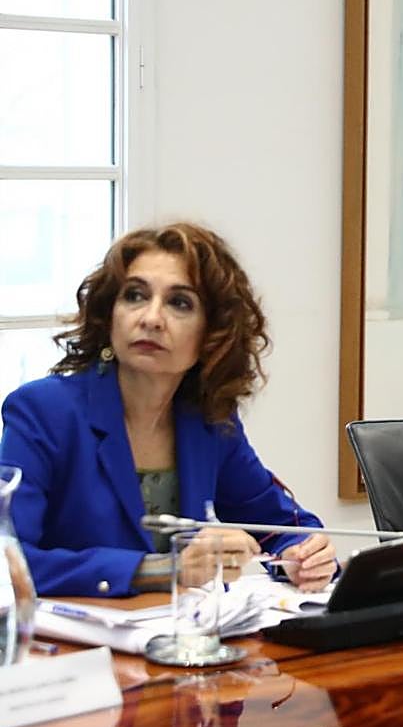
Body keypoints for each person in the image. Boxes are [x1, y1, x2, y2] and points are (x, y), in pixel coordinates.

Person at [0, 223, 337, 597]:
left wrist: (302, 555)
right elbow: (7, 561)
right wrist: (160, 569)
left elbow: (280, 524)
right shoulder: (43, 412)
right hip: (68, 649)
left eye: (179, 303)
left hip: (179, 641)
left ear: (212, 335)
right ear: (109, 314)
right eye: (134, 296)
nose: (151, 318)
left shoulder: (208, 421)